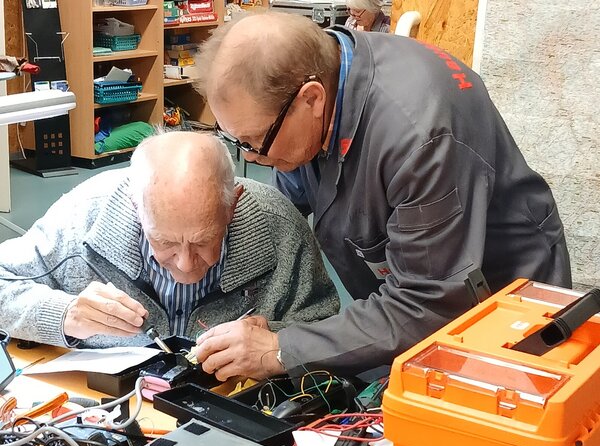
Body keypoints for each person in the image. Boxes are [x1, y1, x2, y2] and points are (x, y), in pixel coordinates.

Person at [189, 12, 572, 381]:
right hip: (412, 297)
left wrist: (280, 349)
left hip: (501, 302)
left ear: (312, 99)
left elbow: (425, 302)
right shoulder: (321, 73)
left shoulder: (420, 138)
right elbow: (287, 206)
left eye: (255, 140)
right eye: (237, 141)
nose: (252, 158)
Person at [0, 131, 339, 349]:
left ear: (232, 205)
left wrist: (276, 344)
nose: (186, 264)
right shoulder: (83, 214)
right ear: (135, 207)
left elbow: (327, 329)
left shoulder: (281, 226)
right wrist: (63, 314)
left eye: (203, 241)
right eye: (165, 242)